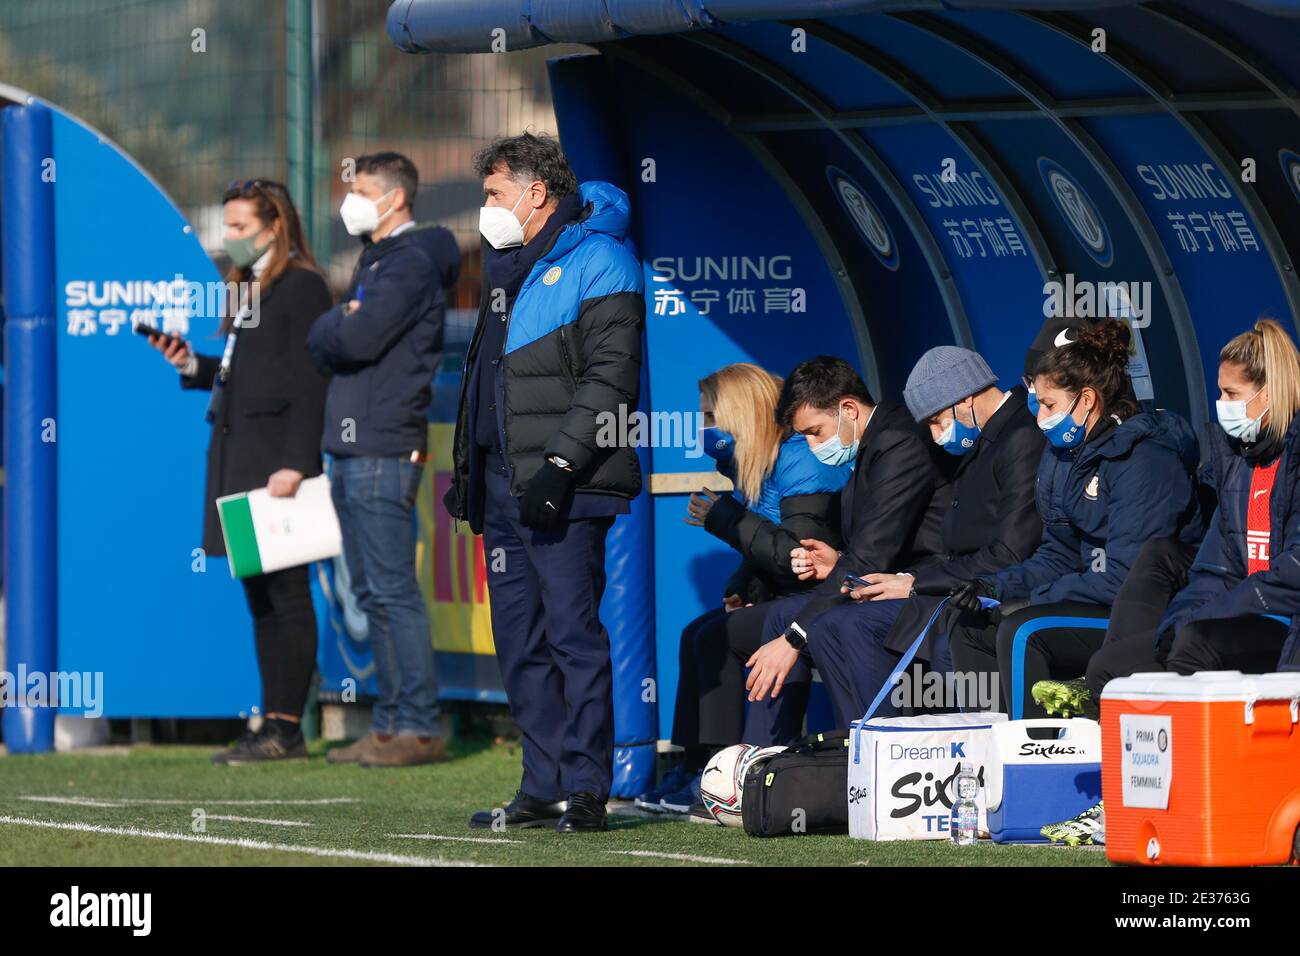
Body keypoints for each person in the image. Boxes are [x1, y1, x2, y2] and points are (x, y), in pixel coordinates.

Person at [445, 134, 645, 833]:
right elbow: (485, 380)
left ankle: (588, 788)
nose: (486, 209)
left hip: (564, 484)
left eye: (494, 194)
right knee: (521, 642)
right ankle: (543, 784)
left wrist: (560, 466)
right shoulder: (506, 265)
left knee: (573, 637)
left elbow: (611, 380)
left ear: (536, 194)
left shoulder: (603, 261)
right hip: (502, 488)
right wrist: (469, 472)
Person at [149, 178, 331, 763]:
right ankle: (269, 720)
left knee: (287, 593)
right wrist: (194, 364)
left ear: (274, 224)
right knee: (260, 595)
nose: (230, 237)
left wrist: (296, 462)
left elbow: (308, 381)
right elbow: (245, 374)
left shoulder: (301, 287)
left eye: (240, 227)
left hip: (274, 462)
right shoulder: (247, 287)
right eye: (227, 226)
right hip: (238, 457)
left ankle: (287, 727)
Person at [947, 319, 1202, 721]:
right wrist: (993, 586)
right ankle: (987, 755)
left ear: (1086, 399)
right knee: (969, 623)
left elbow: (1128, 576)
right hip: (1089, 597)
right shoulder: (1064, 455)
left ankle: (1034, 760)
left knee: (1024, 630)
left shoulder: (1145, 457)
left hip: (1139, 613)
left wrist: (1032, 600)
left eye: (1049, 405)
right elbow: (1058, 554)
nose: (1040, 416)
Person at [635, 363, 851, 813]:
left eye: (711, 416)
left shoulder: (799, 458)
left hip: (829, 599)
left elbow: (802, 561)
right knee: (697, 632)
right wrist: (745, 583)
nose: (704, 428)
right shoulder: (752, 462)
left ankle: (720, 769)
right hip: (791, 597)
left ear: (742, 415)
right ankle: (695, 766)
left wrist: (725, 519)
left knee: (718, 638)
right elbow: (768, 550)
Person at [308, 152, 461, 768]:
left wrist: (332, 327)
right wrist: (334, 326)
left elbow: (355, 337)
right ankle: (391, 722)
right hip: (354, 447)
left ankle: (418, 727)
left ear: (395, 198)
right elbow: (337, 334)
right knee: (371, 592)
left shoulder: (411, 260)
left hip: (383, 445)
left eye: (363, 189)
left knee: (392, 592)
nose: (351, 200)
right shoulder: (380, 258)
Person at [1066, 319, 1300, 710]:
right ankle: (1117, 769)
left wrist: (1211, 615)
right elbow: (1214, 569)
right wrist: (1179, 619)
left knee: (1196, 647)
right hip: (1241, 613)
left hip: (1284, 621)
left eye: (1231, 393)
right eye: (1219, 392)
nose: (1222, 404)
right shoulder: (1238, 461)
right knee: (1109, 668)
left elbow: (1292, 569)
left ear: (1270, 395)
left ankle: (1192, 767)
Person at [807, 346, 1043, 726]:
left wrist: (913, 583)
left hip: (983, 591)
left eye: (936, 421)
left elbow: (1010, 552)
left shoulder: (1019, 439)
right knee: (831, 625)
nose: (934, 436)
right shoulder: (981, 439)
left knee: (852, 623)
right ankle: (862, 753)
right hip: (952, 582)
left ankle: (890, 748)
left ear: (964, 398)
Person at [736, 356, 952, 746]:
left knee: (822, 624)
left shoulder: (899, 441)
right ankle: (764, 762)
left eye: (816, 432)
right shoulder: (869, 445)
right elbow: (871, 548)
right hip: (884, 582)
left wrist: (794, 639)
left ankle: (871, 753)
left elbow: (872, 556)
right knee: (784, 614)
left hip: (929, 586)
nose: (815, 446)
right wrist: (836, 561)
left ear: (848, 409)